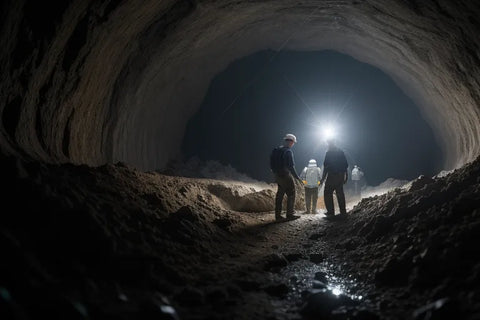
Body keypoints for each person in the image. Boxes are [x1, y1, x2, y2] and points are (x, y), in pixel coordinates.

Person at [270, 134, 302, 221]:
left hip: (277, 175)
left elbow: (271, 162)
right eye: (293, 142)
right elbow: (291, 166)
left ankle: (278, 215)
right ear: (291, 142)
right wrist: (297, 177)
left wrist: (275, 172)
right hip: (285, 175)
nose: (293, 144)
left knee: (280, 194)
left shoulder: (276, 150)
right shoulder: (288, 151)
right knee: (291, 193)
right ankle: (290, 214)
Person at [320, 138, 348, 218]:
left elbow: (326, 167)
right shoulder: (341, 152)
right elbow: (346, 165)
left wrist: (323, 178)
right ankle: (343, 211)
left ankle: (330, 212)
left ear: (329, 143)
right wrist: (346, 176)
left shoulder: (329, 153)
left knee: (327, 192)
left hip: (332, 176)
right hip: (341, 175)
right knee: (340, 193)